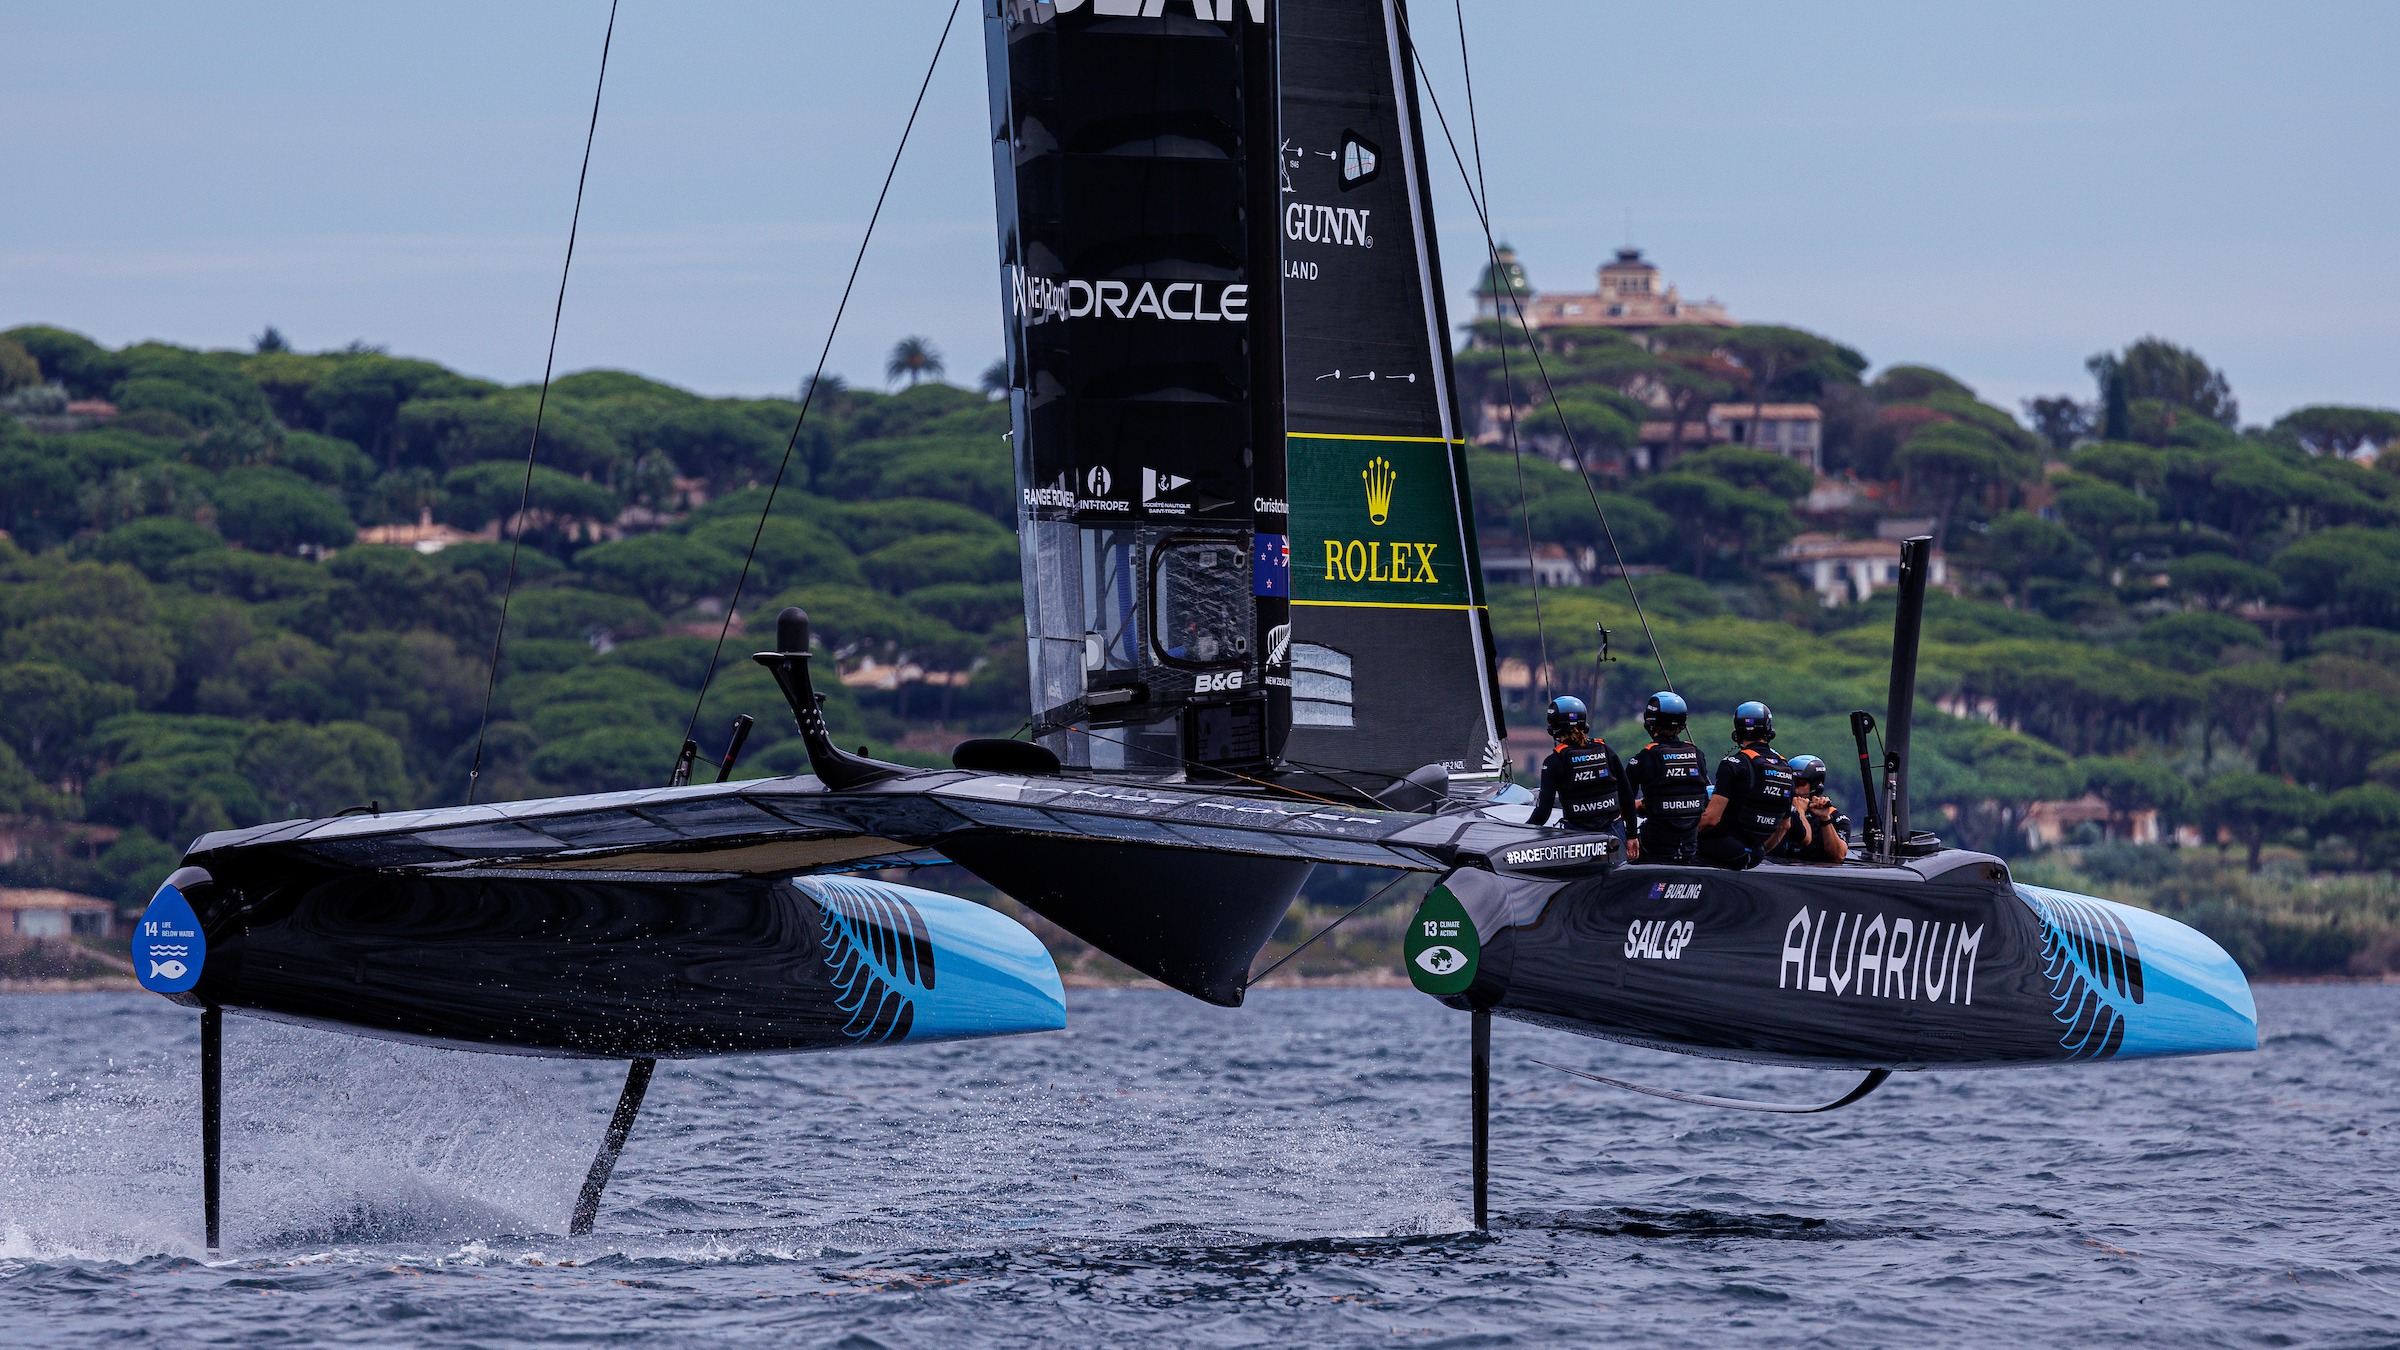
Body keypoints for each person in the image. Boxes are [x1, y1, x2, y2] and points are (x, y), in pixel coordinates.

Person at [1695, 700, 1795, 870]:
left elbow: (1711, 820)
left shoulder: (1733, 763)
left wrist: (1684, 834)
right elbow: (1784, 826)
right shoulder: (1786, 767)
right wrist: (1760, 850)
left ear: (1737, 732)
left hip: (1727, 849)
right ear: (1768, 730)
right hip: (1756, 854)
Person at [1527, 695, 1635, 848]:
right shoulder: (1606, 750)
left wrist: (1519, 835)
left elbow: (1542, 813)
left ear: (1553, 726)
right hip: (1614, 834)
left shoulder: (1553, 762)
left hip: (1577, 837)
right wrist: (1632, 835)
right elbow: (1627, 795)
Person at [1624, 691, 1708, 864]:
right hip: (1689, 849)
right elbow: (1694, 796)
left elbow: (1625, 805)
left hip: (1654, 847)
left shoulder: (1644, 757)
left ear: (1650, 722)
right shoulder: (1697, 754)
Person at [1772, 754, 1850, 863]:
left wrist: (1824, 819)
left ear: (1815, 785)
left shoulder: (1837, 818)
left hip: (1813, 875)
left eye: (1800, 783)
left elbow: (1839, 856)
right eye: (1791, 782)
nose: (1795, 788)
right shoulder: (1779, 811)